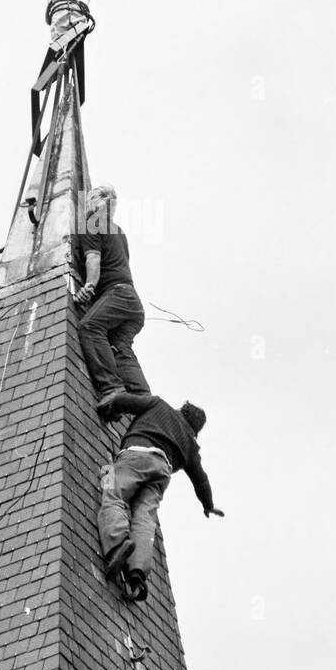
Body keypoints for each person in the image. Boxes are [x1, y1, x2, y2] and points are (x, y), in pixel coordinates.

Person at [97, 393, 224, 601]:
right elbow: (201, 479)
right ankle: (137, 572)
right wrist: (208, 505)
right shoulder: (190, 444)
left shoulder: (158, 405)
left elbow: (125, 401)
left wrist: (109, 407)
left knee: (113, 493)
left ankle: (117, 544)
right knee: (145, 517)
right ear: (195, 430)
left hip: (137, 454)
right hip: (162, 471)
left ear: (181, 410)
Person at [72, 184, 150, 415]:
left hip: (116, 295)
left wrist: (89, 286)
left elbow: (93, 258)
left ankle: (113, 389)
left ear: (94, 202)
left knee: (90, 327)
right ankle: (145, 401)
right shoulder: (118, 231)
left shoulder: (92, 224)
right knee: (120, 348)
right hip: (131, 302)